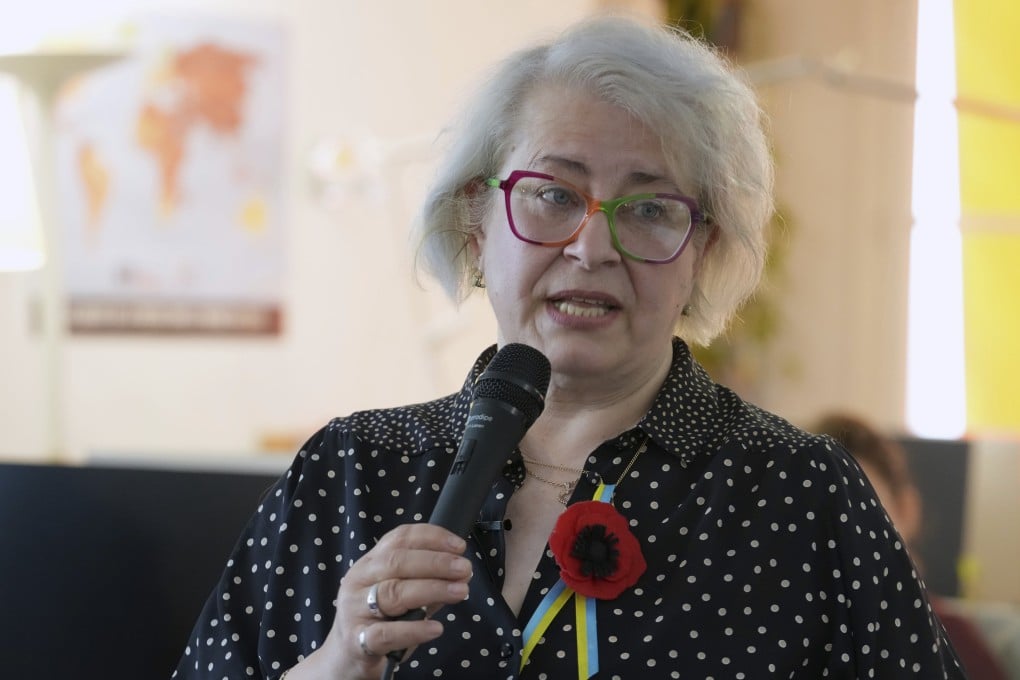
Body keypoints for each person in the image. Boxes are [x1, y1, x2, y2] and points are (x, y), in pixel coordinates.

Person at [174, 16, 967, 679]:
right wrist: (336, 662)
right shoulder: (351, 470)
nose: (592, 248)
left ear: (702, 252)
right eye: (554, 194)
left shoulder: (803, 495)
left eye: (650, 210)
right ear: (477, 224)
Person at [812, 412, 1009, 680]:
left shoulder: (968, 641)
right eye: (820, 521)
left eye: (860, 513)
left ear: (907, 509)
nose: (843, 544)